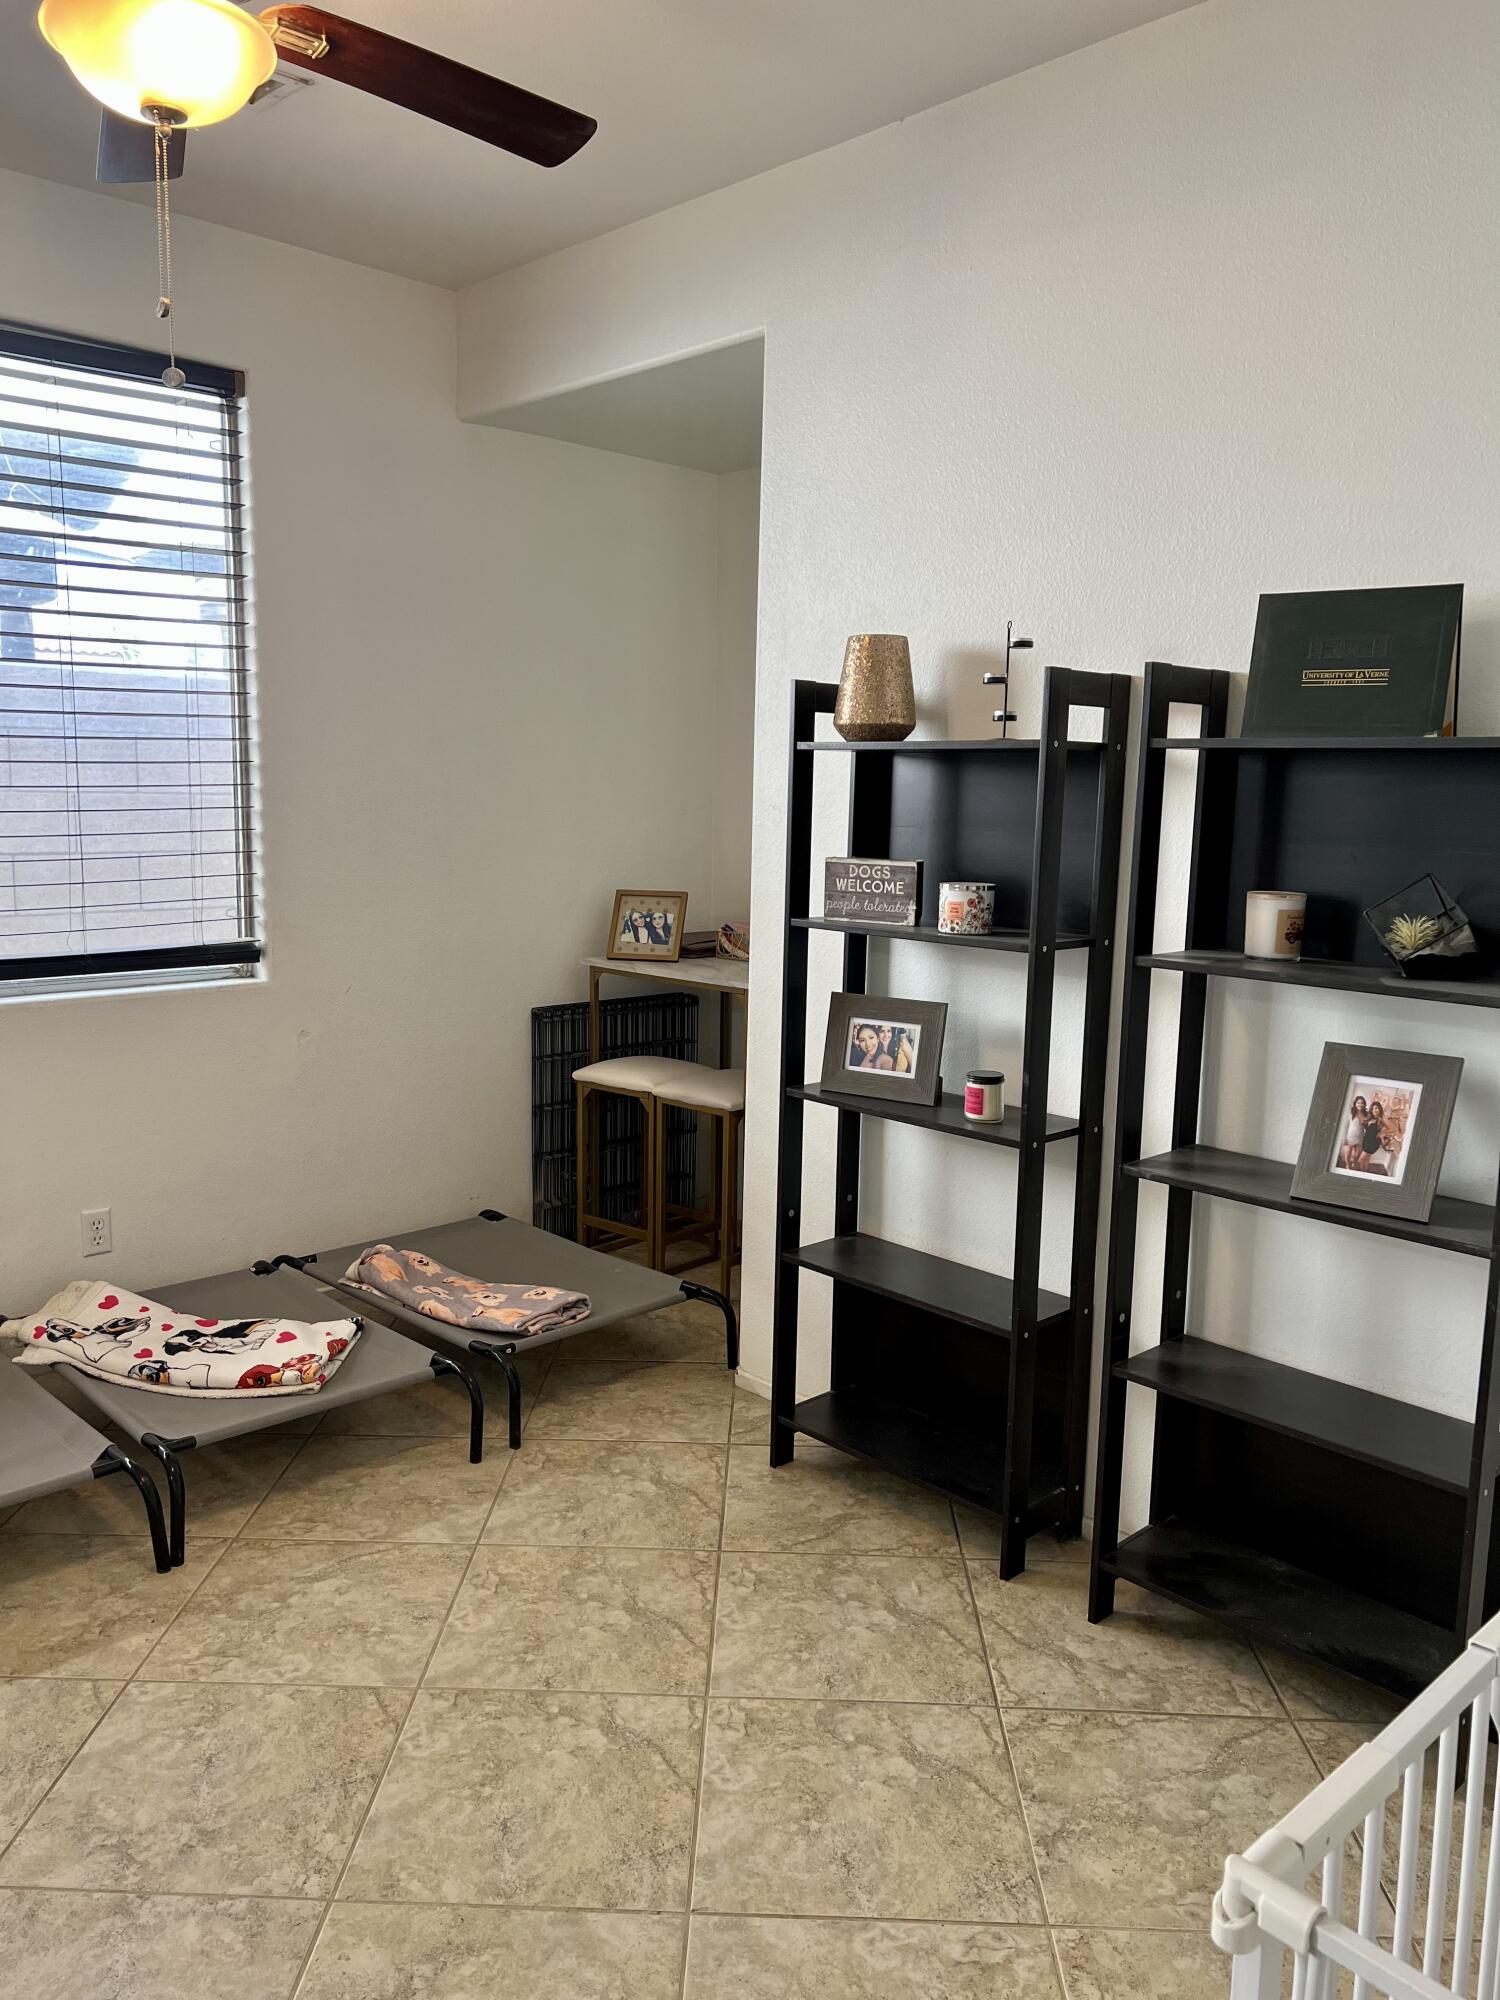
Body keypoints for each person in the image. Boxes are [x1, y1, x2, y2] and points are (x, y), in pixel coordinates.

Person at [1342, 1094, 1369, 1170]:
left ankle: (1354, 1162)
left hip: (1360, 1136)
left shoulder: (1366, 1114)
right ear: (1355, 1104)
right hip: (1351, 1136)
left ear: (1364, 1104)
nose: (1360, 1104)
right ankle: (1348, 1165)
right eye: (1358, 1103)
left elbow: (1367, 1126)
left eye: (1362, 1103)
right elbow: (1346, 1126)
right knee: (1348, 1153)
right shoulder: (1351, 1113)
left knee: (1357, 1155)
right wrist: (1344, 1138)